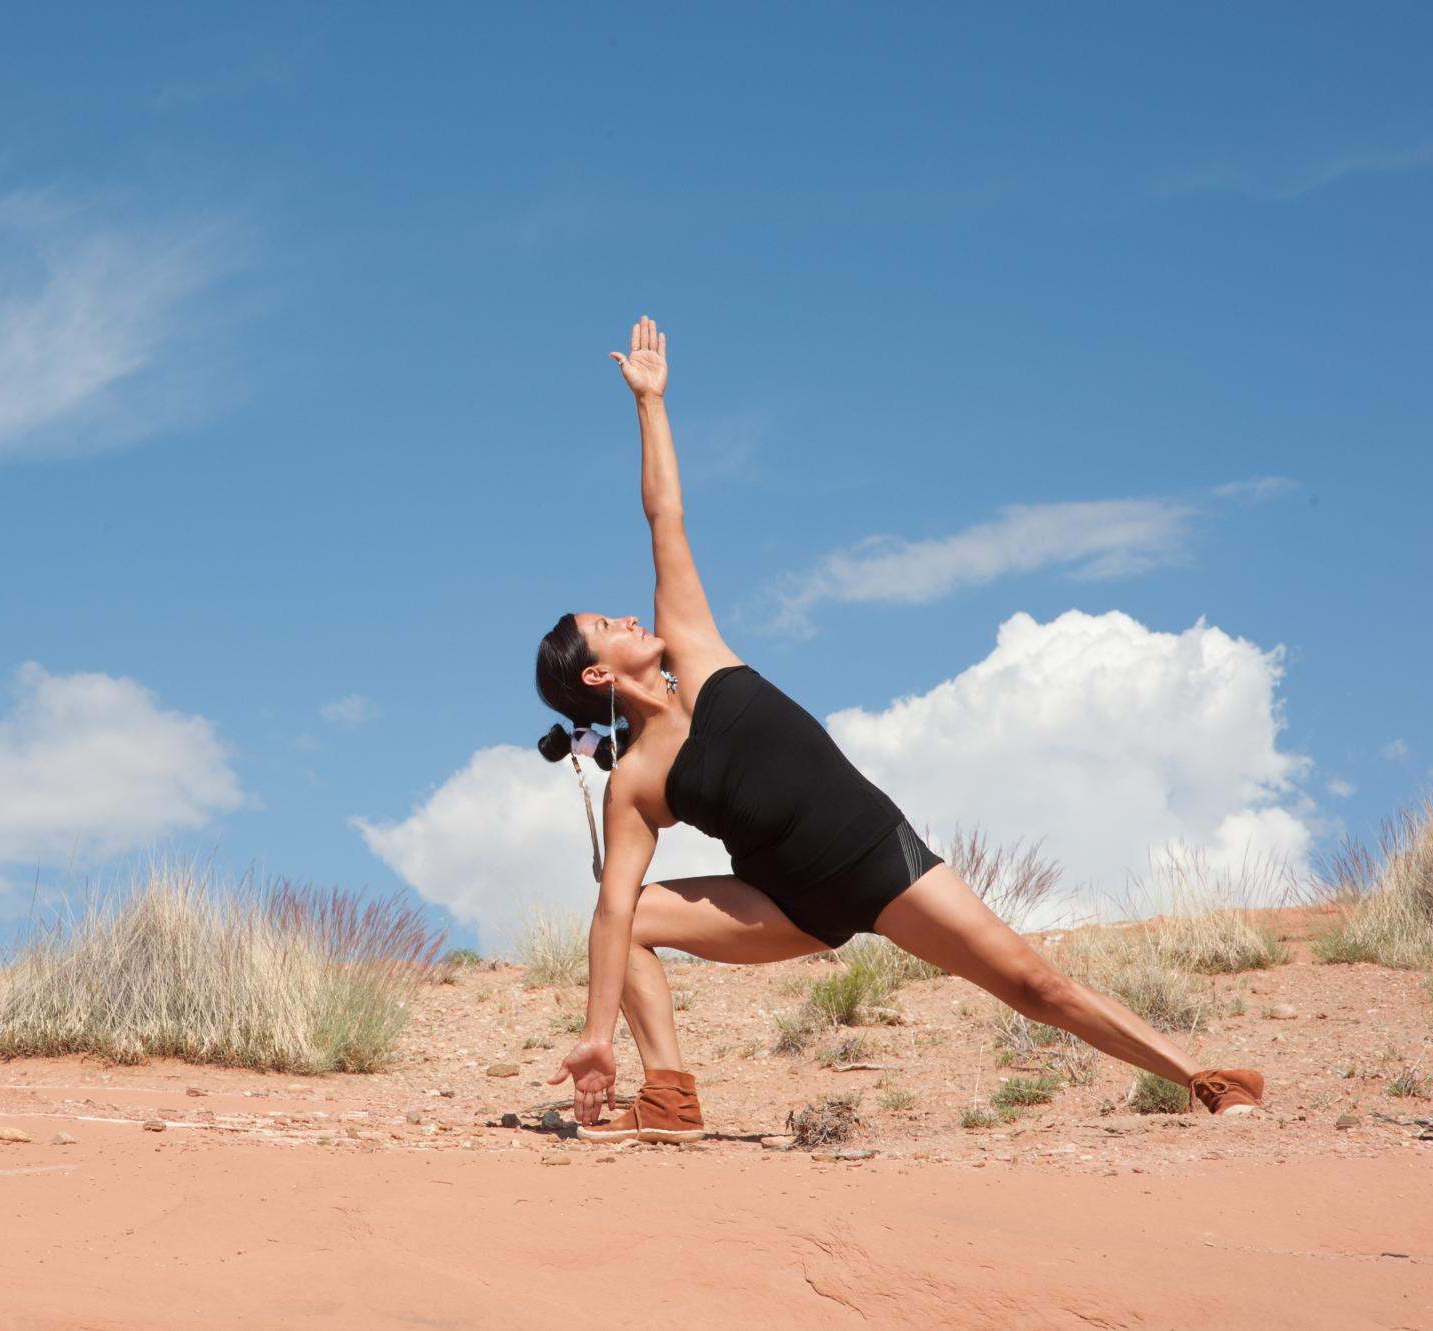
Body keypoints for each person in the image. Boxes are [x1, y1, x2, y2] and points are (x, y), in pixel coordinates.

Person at [537, 316, 1264, 1144]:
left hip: (883, 859)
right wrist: (598, 1037)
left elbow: (664, 512)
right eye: (608, 623)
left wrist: (651, 405)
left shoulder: (696, 648)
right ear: (597, 673)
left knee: (1034, 984)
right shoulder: (634, 785)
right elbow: (612, 912)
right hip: (785, 906)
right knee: (621, 909)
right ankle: (668, 1094)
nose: (630, 615)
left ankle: (1202, 1077)